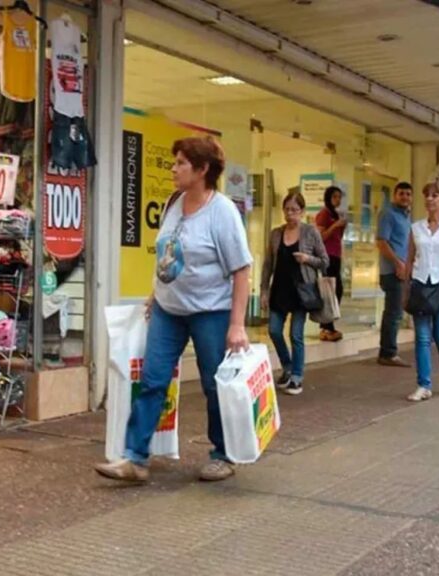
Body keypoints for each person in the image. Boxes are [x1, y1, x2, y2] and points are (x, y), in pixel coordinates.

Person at [94, 137, 252, 483]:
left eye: (181, 163)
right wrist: (156, 292)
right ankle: (135, 459)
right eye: (174, 161)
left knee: (214, 385)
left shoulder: (222, 212)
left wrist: (237, 324)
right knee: (152, 380)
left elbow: (242, 270)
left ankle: (223, 454)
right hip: (169, 310)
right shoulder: (173, 202)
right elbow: (169, 254)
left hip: (210, 311)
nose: (173, 169)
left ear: (202, 169)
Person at [261, 192, 329, 396]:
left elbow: (324, 261)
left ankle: (297, 376)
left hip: (302, 291)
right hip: (279, 290)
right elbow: (267, 264)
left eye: (294, 210)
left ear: (302, 211)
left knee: (296, 335)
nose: (290, 214)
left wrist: (307, 259)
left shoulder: (310, 232)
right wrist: (264, 290)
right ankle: (287, 366)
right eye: (287, 210)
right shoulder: (276, 234)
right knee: (274, 330)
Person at [404, 183, 439, 402]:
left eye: (435, 195)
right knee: (422, 338)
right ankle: (424, 385)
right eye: (427, 196)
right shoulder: (416, 228)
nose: (430, 199)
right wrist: (405, 289)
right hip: (420, 286)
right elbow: (410, 258)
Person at [376, 182, 413, 367]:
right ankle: (388, 353)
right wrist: (398, 263)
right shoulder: (388, 214)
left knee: (395, 312)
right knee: (394, 313)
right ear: (395, 195)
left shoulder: (406, 216)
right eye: (401, 193)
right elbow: (381, 242)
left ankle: (388, 351)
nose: (405, 197)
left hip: (402, 271)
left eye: (408, 194)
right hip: (391, 271)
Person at [315, 185, 347, 342]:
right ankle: (326, 326)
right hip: (327, 256)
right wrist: (335, 226)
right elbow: (321, 237)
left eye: (339, 197)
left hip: (336, 255)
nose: (337, 200)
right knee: (330, 290)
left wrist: (342, 226)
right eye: (335, 197)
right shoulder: (324, 214)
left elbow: (338, 238)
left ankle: (328, 324)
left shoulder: (336, 214)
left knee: (336, 290)